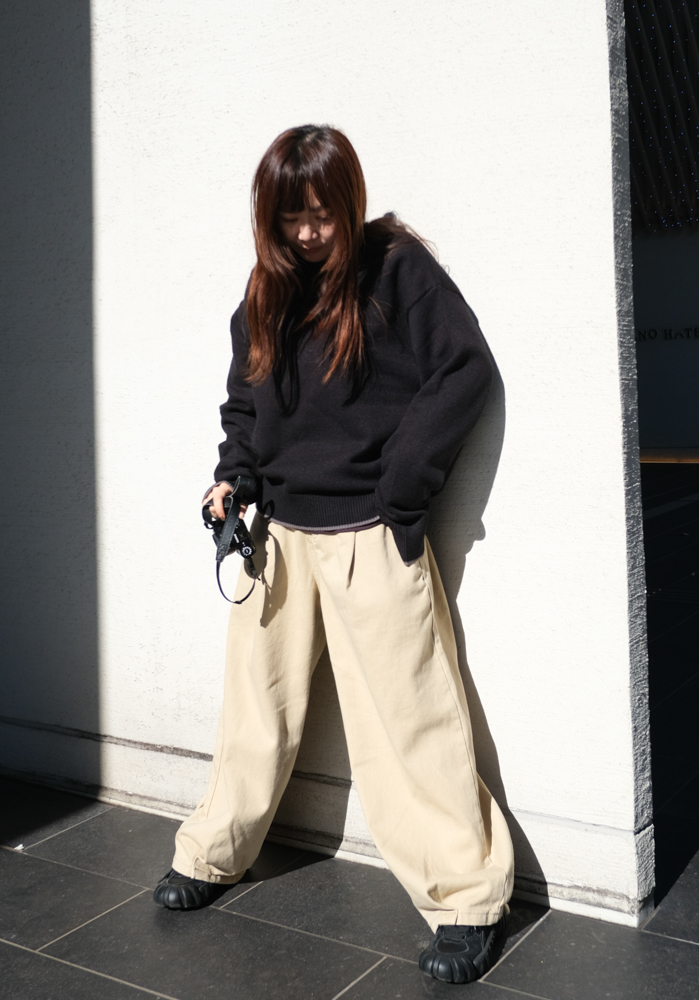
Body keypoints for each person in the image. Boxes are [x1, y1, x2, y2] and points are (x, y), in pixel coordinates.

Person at [153, 124, 514, 985]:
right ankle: (212, 854)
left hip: (368, 536)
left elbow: (465, 370)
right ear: (270, 218)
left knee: (411, 723)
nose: (310, 232)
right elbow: (245, 407)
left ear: (349, 201)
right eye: (292, 218)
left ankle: (468, 900)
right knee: (254, 713)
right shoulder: (265, 293)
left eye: (322, 213)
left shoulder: (396, 269)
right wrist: (232, 479)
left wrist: (402, 489)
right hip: (279, 536)